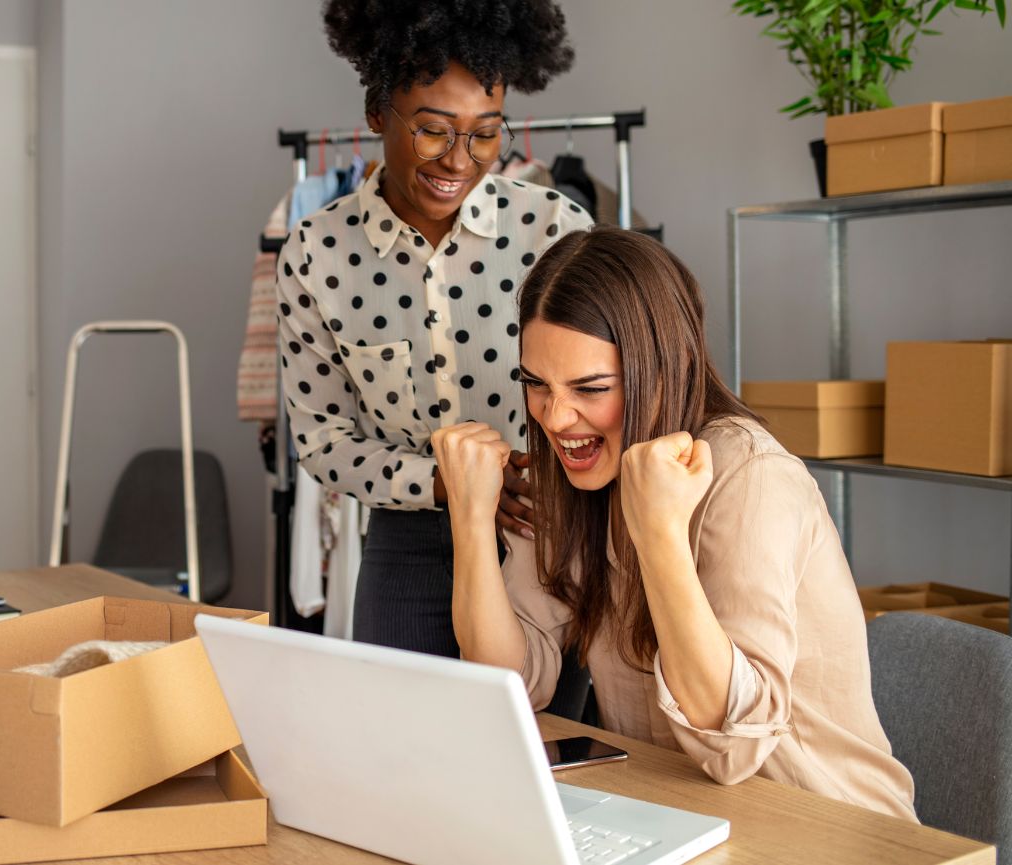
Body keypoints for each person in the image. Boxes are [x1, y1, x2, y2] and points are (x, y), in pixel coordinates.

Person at [433, 226, 918, 820]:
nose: (556, 417)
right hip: (674, 816)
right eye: (536, 384)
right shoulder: (574, 473)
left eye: (591, 388)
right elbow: (508, 685)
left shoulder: (749, 474)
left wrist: (658, 534)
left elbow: (733, 744)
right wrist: (471, 521)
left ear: (662, 367)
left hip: (826, 828)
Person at [277, 0, 590, 656]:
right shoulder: (316, 253)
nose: (459, 161)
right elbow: (321, 438)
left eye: (484, 134)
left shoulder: (556, 231)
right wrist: (447, 482)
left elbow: (608, 389)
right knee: (404, 742)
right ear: (376, 114)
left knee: (551, 749)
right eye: (433, 130)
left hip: (547, 535)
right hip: (408, 548)